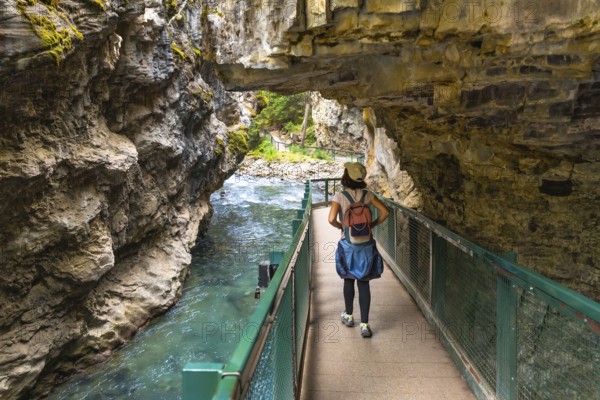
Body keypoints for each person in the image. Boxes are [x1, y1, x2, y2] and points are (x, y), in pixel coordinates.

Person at [328, 162, 389, 338]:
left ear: (346, 176)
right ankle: (364, 325)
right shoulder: (368, 195)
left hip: (348, 244)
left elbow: (331, 219)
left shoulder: (339, 196)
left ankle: (348, 315)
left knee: (348, 280)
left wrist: (343, 228)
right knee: (364, 282)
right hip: (366, 245)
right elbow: (385, 212)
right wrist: (372, 225)